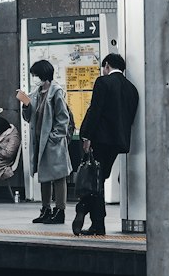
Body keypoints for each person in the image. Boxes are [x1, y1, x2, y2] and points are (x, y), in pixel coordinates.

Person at [76, 52, 139, 236]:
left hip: (100, 139)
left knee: (94, 179)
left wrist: (86, 136)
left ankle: (89, 213)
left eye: (103, 67)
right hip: (118, 142)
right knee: (100, 178)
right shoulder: (131, 89)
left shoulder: (103, 83)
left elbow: (95, 110)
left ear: (107, 65)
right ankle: (92, 217)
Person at [17, 59, 72, 225]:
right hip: (39, 142)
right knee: (44, 176)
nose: (34, 78)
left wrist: (55, 137)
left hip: (52, 142)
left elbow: (63, 118)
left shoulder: (56, 92)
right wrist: (25, 105)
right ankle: (46, 209)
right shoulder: (35, 93)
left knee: (58, 176)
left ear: (44, 75)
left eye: (36, 75)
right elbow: (28, 118)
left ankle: (60, 210)